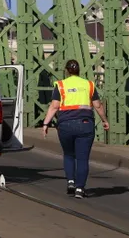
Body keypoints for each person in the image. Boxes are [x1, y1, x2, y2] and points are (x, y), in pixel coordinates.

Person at [41, 59, 109, 199]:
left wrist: (46, 124)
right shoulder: (88, 84)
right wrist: (104, 120)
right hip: (85, 124)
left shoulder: (60, 85)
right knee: (83, 159)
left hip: (65, 125)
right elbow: (97, 105)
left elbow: (54, 106)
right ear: (79, 71)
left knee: (68, 154)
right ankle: (80, 189)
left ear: (66, 71)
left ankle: (70, 182)